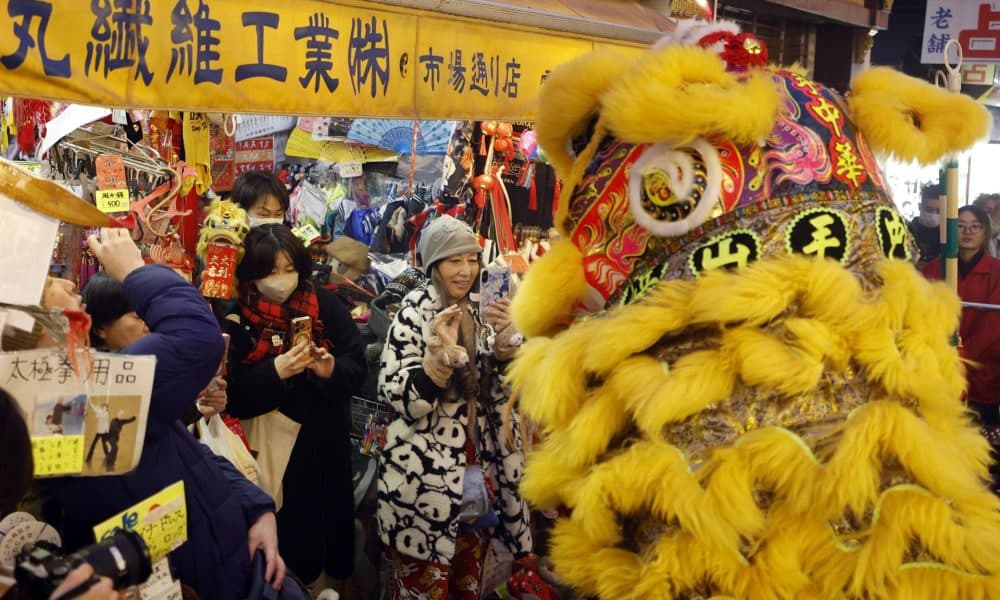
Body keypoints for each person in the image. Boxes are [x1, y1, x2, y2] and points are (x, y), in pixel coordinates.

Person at [47, 228, 286, 599]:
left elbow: (191, 456)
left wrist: (255, 507)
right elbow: (196, 339)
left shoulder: (101, 388)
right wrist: (134, 271)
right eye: (47, 281)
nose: (64, 280)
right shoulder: (70, 410)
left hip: (221, 565)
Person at [377, 215, 532, 599]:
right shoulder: (413, 314)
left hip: (480, 479)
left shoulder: (487, 309)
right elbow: (401, 398)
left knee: (469, 585)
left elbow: (509, 395)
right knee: (422, 588)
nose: (465, 271)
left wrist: (508, 344)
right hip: (423, 489)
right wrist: (437, 362)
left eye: (472, 259)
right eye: (453, 261)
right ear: (433, 265)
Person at [223, 224, 366, 589]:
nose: (283, 280)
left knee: (318, 542)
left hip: (322, 449)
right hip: (265, 453)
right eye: (270, 271)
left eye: (290, 269)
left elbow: (356, 366)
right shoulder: (233, 315)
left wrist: (329, 368)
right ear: (251, 275)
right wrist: (275, 370)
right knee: (274, 546)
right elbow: (230, 395)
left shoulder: (324, 303)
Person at [922, 205, 1000, 429]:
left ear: (985, 232)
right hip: (938, 373)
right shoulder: (933, 269)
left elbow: (993, 330)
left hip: (983, 377)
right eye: (961, 226)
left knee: (981, 451)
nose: (968, 232)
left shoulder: (997, 272)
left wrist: (960, 358)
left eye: (975, 226)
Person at [909, 184, 941, 266]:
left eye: (938, 211)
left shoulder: (949, 234)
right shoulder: (907, 231)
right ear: (920, 207)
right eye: (929, 210)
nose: (933, 215)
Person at [973, 192, 1000, 258]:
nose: (990, 211)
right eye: (987, 208)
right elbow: (990, 230)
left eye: (992, 208)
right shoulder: (976, 217)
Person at [84, 400, 110, 465]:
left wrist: (97, 412)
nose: (104, 408)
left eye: (105, 407)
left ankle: (108, 456)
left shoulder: (106, 414)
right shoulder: (100, 412)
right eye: (103, 407)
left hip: (104, 432)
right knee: (93, 445)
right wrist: (90, 402)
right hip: (99, 431)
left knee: (104, 445)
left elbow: (100, 416)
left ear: (106, 408)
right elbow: (94, 408)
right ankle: (88, 458)